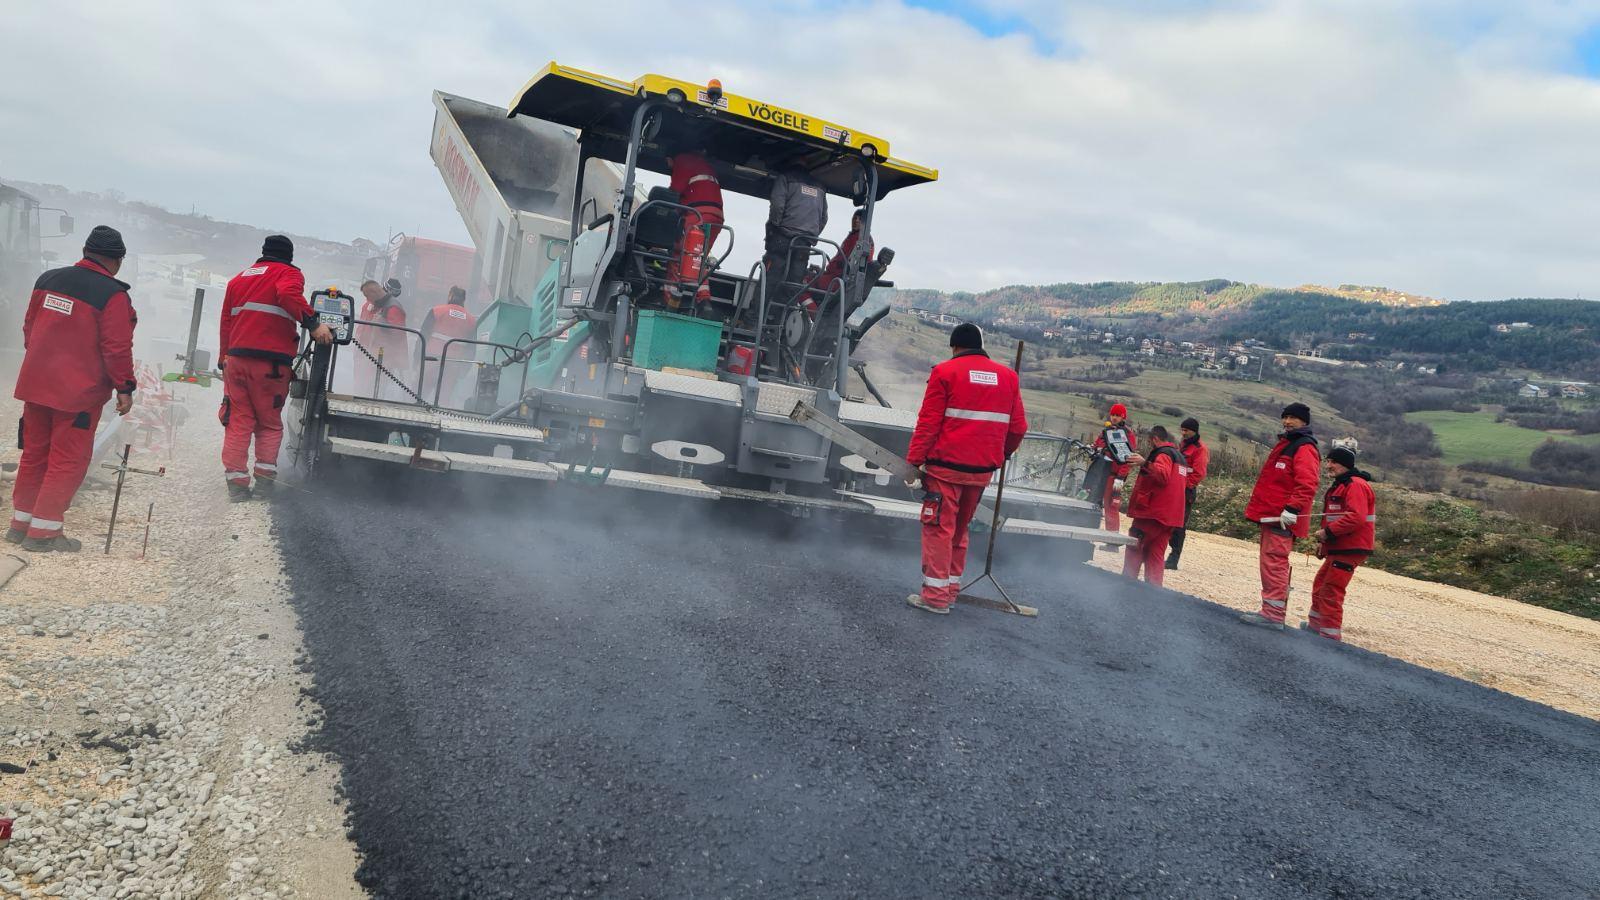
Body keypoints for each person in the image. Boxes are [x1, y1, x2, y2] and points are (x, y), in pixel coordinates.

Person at [7, 225, 138, 552]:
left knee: (35, 455)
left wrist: (42, 363)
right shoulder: (113, 295)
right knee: (67, 461)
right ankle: (44, 534)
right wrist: (125, 387)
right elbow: (116, 348)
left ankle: (19, 526)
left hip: (36, 386)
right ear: (117, 261)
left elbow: (29, 328)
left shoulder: (48, 280)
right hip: (77, 395)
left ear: (85, 251)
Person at [903, 323, 1028, 615]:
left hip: (945, 469)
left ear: (954, 347)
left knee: (939, 529)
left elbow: (928, 423)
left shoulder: (945, 372)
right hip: (982, 470)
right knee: (960, 531)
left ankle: (934, 597)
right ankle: (950, 592)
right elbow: (1019, 427)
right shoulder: (1009, 377)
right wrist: (1002, 453)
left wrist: (914, 461)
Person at [217, 235, 333, 501]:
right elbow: (287, 294)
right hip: (270, 365)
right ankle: (264, 483)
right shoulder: (289, 274)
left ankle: (236, 484)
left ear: (264, 252)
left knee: (238, 420)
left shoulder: (239, 279)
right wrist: (314, 325)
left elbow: (226, 321)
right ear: (289, 256)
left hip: (235, 361)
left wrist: (223, 357)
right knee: (268, 424)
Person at [1239, 402, 1321, 630]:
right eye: (1285, 417)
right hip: (1274, 515)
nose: (1287, 422)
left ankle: (1273, 615)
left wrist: (1292, 509)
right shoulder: (1289, 444)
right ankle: (1273, 611)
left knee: (1275, 562)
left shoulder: (1303, 447)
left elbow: (1308, 483)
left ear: (1304, 422)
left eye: (1293, 418)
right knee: (1272, 562)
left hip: (1281, 518)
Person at [1306, 446, 1375, 641]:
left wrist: (1326, 533)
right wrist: (1324, 543)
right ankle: (1315, 628)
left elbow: (1355, 517)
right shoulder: (1342, 484)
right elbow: (1334, 517)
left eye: (1333, 462)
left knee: (1331, 590)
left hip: (1350, 547)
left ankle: (1329, 637)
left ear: (1344, 464)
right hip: (1340, 546)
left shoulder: (1355, 485)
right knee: (1321, 584)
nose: (1328, 465)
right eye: (1328, 461)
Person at [1120, 425, 1187, 586]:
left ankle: (1125, 586)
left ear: (1155, 439)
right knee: (1155, 554)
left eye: (1150, 441)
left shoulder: (1163, 453)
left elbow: (1162, 475)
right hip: (1170, 517)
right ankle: (1154, 593)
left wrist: (1144, 463)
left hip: (1152, 513)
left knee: (1135, 546)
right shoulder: (1180, 457)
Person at [665, 148, 723, 306]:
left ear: (670, 158)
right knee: (699, 256)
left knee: (678, 254)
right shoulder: (702, 164)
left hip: (699, 213)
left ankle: (670, 302)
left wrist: (666, 215)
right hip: (716, 216)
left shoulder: (682, 159)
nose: (668, 166)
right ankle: (704, 301)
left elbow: (674, 193)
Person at [764, 165, 828, 297]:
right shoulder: (820, 188)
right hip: (804, 244)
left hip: (783, 238)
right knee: (794, 282)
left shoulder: (785, 178)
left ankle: (754, 316)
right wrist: (811, 235)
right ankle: (780, 316)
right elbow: (823, 218)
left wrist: (775, 226)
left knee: (770, 278)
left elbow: (777, 206)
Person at [1165, 417, 1210, 570]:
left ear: (1194, 431)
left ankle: (1174, 557)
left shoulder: (1200, 449)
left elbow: (1199, 473)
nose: (1183, 433)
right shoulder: (1183, 445)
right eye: (1182, 430)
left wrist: (1185, 486)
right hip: (1175, 488)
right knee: (1167, 520)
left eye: (1186, 430)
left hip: (1186, 491)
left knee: (1179, 524)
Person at [421, 286, 478, 407]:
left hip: (431, 359)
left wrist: (417, 359)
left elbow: (423, 336)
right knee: (444, 396)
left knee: (419, 392)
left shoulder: (437, 311)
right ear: (463, 300)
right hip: (453, 363)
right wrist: (465, 369)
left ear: (450, 295)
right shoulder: (471, 320)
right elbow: (471, 348)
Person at [354, 278, 410, 400]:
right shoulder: (373, 304)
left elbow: (398, 335)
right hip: (365, 351)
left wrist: (382, 323)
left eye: (367, 296)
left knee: (373, 388)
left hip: (381, 356)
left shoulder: (393, 308)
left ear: (374, 293)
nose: (367, 300)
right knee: (361, 385)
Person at [1092, 403, 1137, 545]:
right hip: (1101, 472)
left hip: (1116, 476)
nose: (1115, 417)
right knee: (1095, 502)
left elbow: (1128, 458)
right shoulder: (1106, 431)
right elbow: (1096, 445)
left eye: (1118, 415)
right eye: (1113, 415)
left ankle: (1113, 541)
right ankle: (1093, 534)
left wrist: (1120, 477)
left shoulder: (1128, 434)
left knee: (1112, 504)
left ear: (1123, 417)